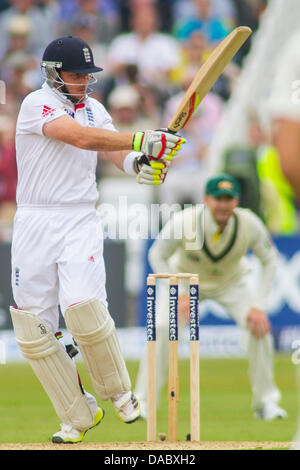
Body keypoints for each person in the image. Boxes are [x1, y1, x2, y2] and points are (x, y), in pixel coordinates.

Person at [9, 35, 185, 444]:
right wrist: (142, 139)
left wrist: (141, 163)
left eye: (88, 75)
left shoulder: (96, 109)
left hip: (79, 219)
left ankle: (120, 392)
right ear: (53, 73)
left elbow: (112, 153)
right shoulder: (37, 104)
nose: (83, 82)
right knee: (35, 331)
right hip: (34, 221)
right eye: (75, 74)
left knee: (82, 307)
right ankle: (77, 414)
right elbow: (81, 139)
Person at [134, 173, 287, 421]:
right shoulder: (184, 221)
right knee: (162, 329)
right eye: (218, 199)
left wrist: (259, 306)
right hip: (184, 280)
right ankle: (142, 401)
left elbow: (269, 260)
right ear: (206, 200)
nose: (223, 205)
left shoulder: (249, 223)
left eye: (229, 199)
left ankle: (266, 403)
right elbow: (157, 255)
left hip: (231, 283)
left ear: (236, 201)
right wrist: (179, 292)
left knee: (260, 330)